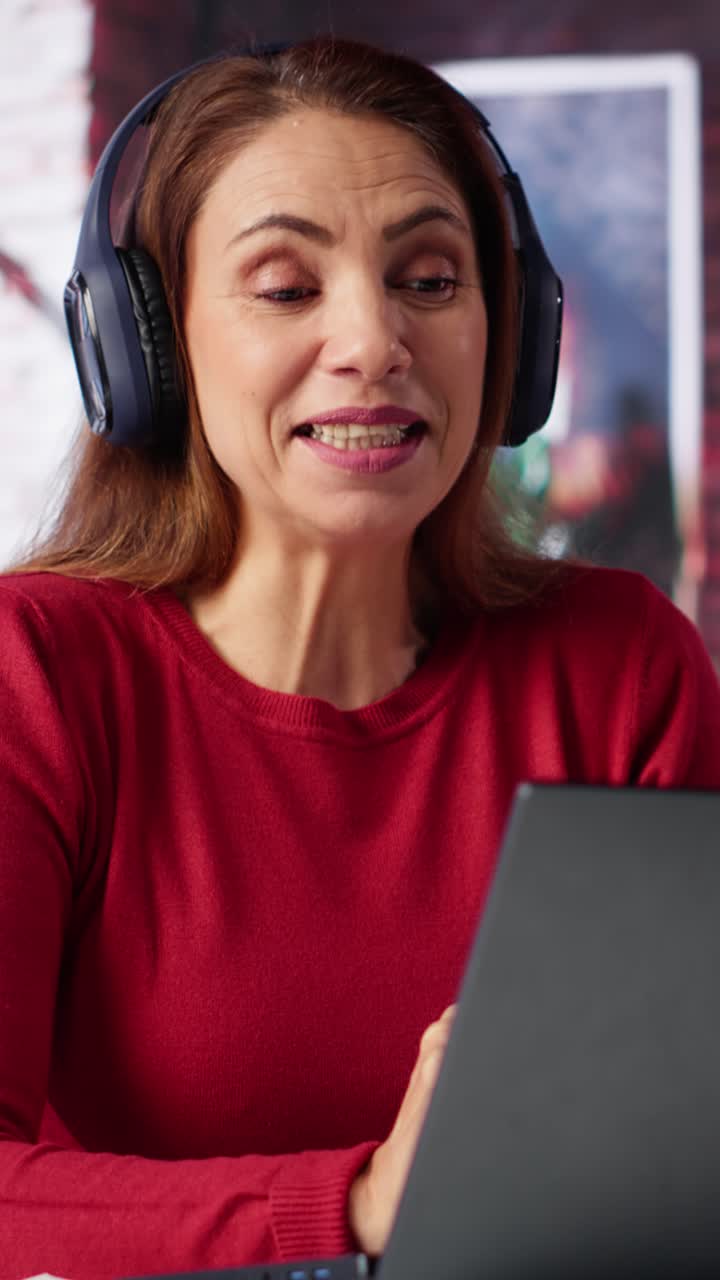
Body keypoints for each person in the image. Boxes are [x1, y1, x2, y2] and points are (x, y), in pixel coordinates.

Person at [2, 34, 720, 1280]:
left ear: (512, 339)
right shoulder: (39, 673)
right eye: (286, 286)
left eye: (432, 278)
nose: (375, 338)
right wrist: (359, 1203)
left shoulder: (621, 664)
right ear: (150, 348)